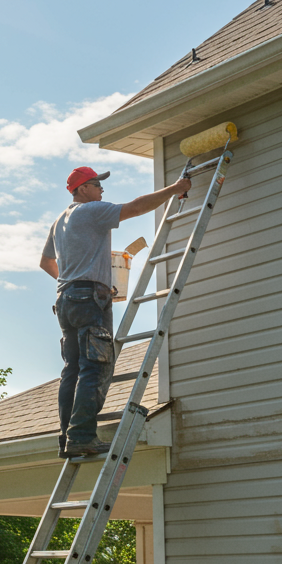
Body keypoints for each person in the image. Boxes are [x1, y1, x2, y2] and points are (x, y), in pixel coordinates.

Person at [39, 166, 192, 458]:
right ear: (82, 189)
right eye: (97, 185)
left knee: (71, 370)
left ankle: (68, 439)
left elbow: (46, 263)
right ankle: (82, 436)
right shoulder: (91, 211)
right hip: (88, 299)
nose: (101, 191)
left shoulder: (60, 221)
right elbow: (134, 208)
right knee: (94, 367)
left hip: (66, 298)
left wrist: (73, 279)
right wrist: (174, 189)